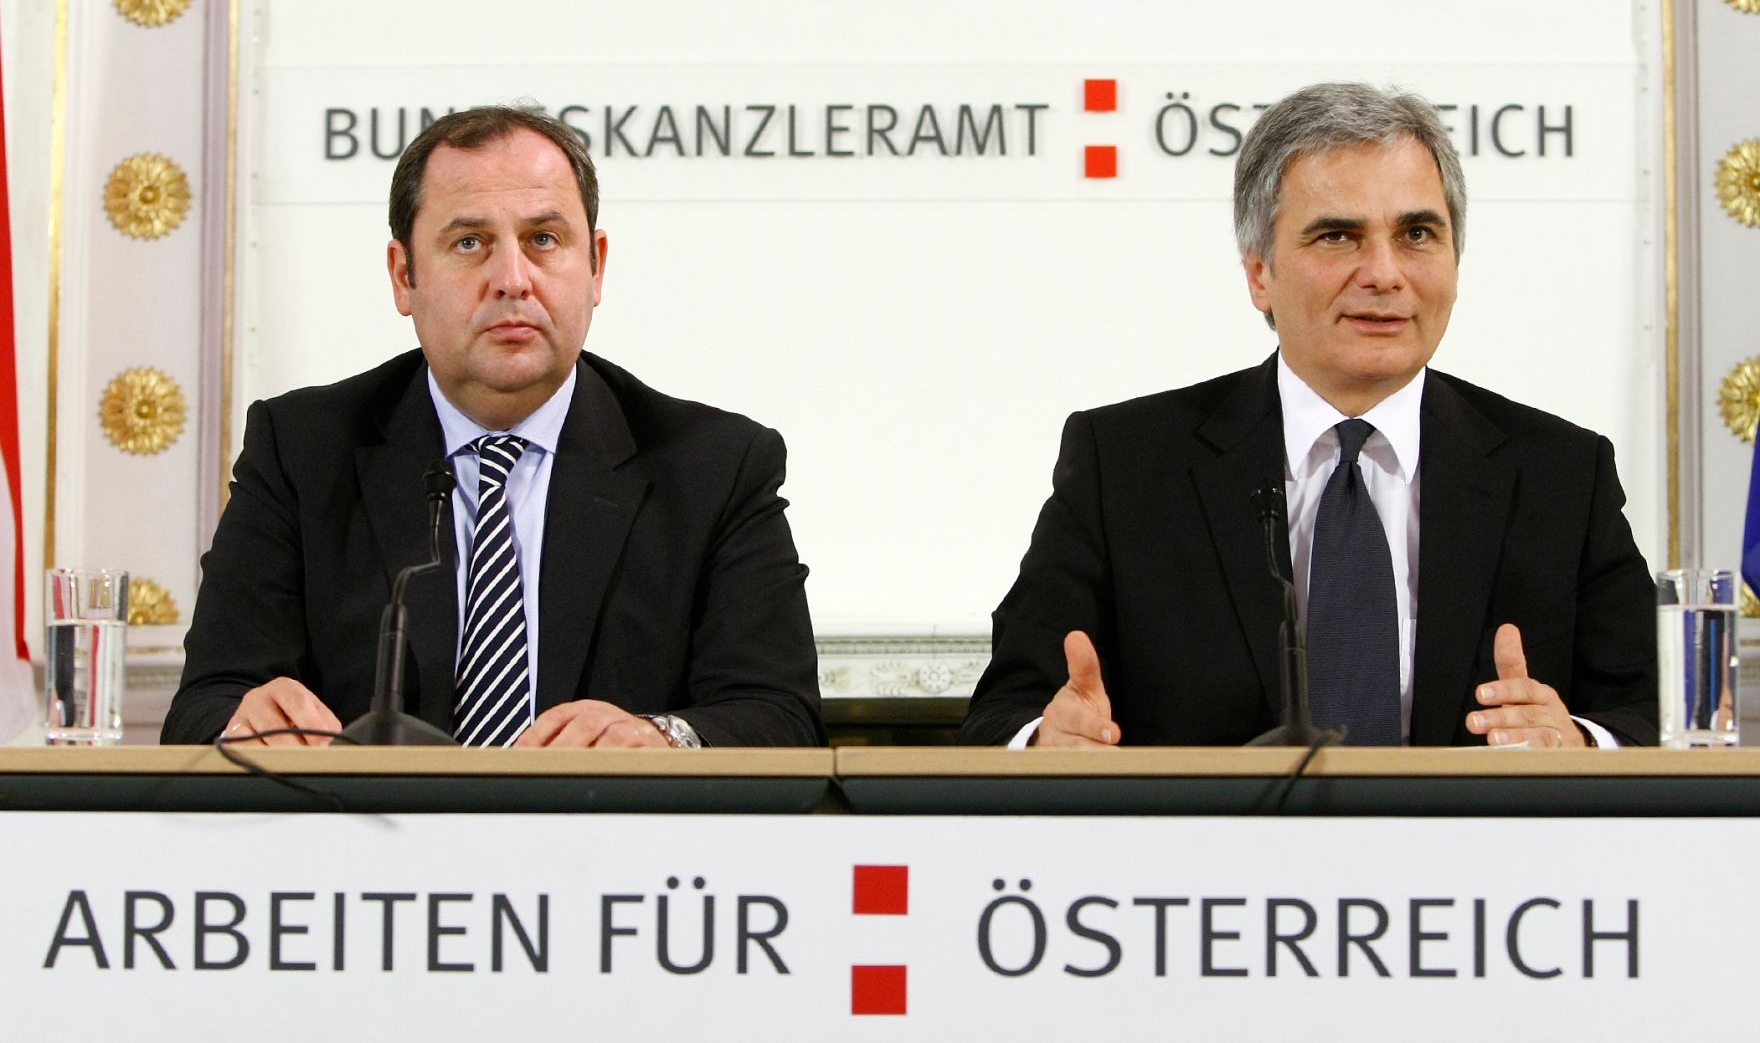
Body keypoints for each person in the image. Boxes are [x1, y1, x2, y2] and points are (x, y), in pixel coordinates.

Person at [960, 82, 1657, 750]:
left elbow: (1650, 710)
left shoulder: (1561, 474)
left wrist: (1579, 740)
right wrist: (1050, 741)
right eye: (1338, 237)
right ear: (1259, 271)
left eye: (1417, 233)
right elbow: (1004, 712)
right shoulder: (1127, 466)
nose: (1385, 272)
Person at [163, 105, 824, 748]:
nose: (513, 279)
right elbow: (204, 704)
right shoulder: (303, 451)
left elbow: (780, 717)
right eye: (470, 242)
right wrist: (243, 721)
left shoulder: (713, 467)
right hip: (368, 847)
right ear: (404, 276)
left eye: (544, 240)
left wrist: (664, 736)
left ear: (595, 265)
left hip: (611, 847)